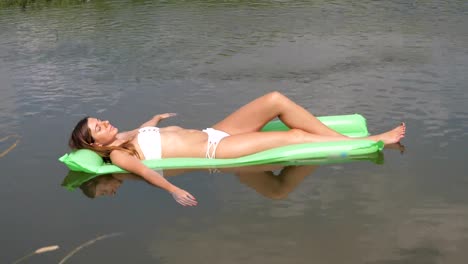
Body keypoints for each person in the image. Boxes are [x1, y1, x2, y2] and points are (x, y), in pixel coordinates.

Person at [68, 91, 405, 206]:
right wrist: (172, 189)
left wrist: (154, 117)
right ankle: (372, 140)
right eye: (100, 127)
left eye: (101, 120)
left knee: (275, 100)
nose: (106, 122)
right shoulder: (118, 155)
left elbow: (145, 132)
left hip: (215, 132)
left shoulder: (127, 135)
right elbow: (144, 171)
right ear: (94, 144)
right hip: (219, 151)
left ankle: (280, 184)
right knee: (294, 137)